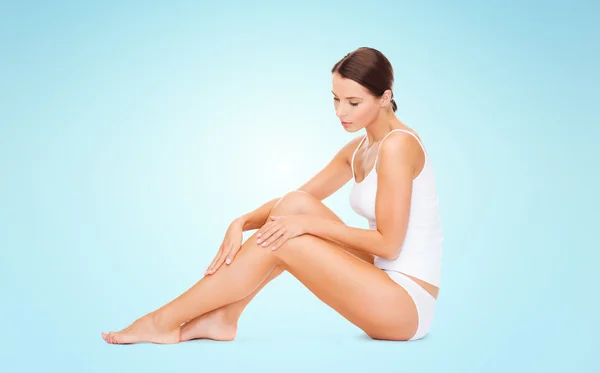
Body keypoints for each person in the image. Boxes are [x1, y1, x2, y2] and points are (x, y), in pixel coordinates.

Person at [101, 46, 443, 344]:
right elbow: (294, 201)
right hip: (381, 281)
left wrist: (305, 225)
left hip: (406, 305)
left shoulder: (399, 146)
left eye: (353, 102)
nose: (341, 112)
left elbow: (388, 245)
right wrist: (243, 221)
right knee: (293, 206)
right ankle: (223, 319)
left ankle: (161, 322)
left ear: (384, 98)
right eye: (336, 100)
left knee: (290, 234)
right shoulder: (360, 148)